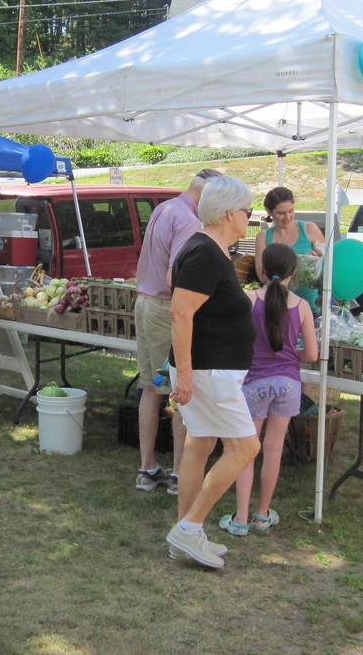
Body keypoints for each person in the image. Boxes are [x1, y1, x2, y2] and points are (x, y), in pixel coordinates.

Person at [165, 175, 261, 569]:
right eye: (248, 212)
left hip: (210, 370)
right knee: (245, 448)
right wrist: (185, 375)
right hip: (209, 372)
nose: (251, 218)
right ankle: (189, 529)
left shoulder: (210, 249)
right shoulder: (204, 251)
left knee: (199, 445)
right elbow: (180, 312)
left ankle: (185, 532)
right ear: (228, 214)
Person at [219, 243, 318, 538]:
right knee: (273, 450)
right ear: (294, 272)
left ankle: (240, 518)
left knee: (247, 450)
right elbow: (312, 354)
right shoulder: (302, 306)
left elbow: (233, 339)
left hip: (254, 384)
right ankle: (262, 516)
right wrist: (290, 355)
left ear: (261, 270)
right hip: (288, 383)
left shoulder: (249, 300)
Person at [132, 168, 221, 496]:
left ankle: (147, 468)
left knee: (150, 388)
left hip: (144, 303)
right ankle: (179, 474)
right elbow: (177, 278)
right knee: (179, 391)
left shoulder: (165, 207)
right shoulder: (188, 221)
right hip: (165, 309)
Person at [254, 186, 325, 311]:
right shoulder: (263, 237)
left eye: (291, 211)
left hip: (309, 306)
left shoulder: (310, 229)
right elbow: (263, 277)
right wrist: (301, 263)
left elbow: (326, 265)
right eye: (281, 213)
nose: (288, 217)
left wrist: (315, 261)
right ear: (269, 212)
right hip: (277, 307)